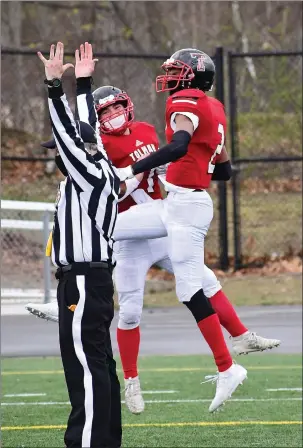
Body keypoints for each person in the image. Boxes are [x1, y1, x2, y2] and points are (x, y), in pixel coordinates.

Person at [28, 44, 280, 416]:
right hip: (146, 226)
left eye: (117, 106)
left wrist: (150, 170)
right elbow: (94, 162)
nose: (113, 114)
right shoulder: (99, 141)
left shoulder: (155, 123)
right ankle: (124, 365)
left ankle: (234, 352)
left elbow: (175, 152)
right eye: (105, 110)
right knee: (129, 303)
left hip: (168, 214)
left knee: (196, 283)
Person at [37, 41, 122, 448]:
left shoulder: (88, 172)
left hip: (84, 282)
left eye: (60, 152)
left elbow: (73, 138)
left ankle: (88, 443)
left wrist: (55, 86)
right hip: (93, 281)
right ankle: (105, 441)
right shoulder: (98, 164)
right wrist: (84, 84)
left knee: (85, 368)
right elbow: (88, 132)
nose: (58, 156)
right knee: (100, 364)